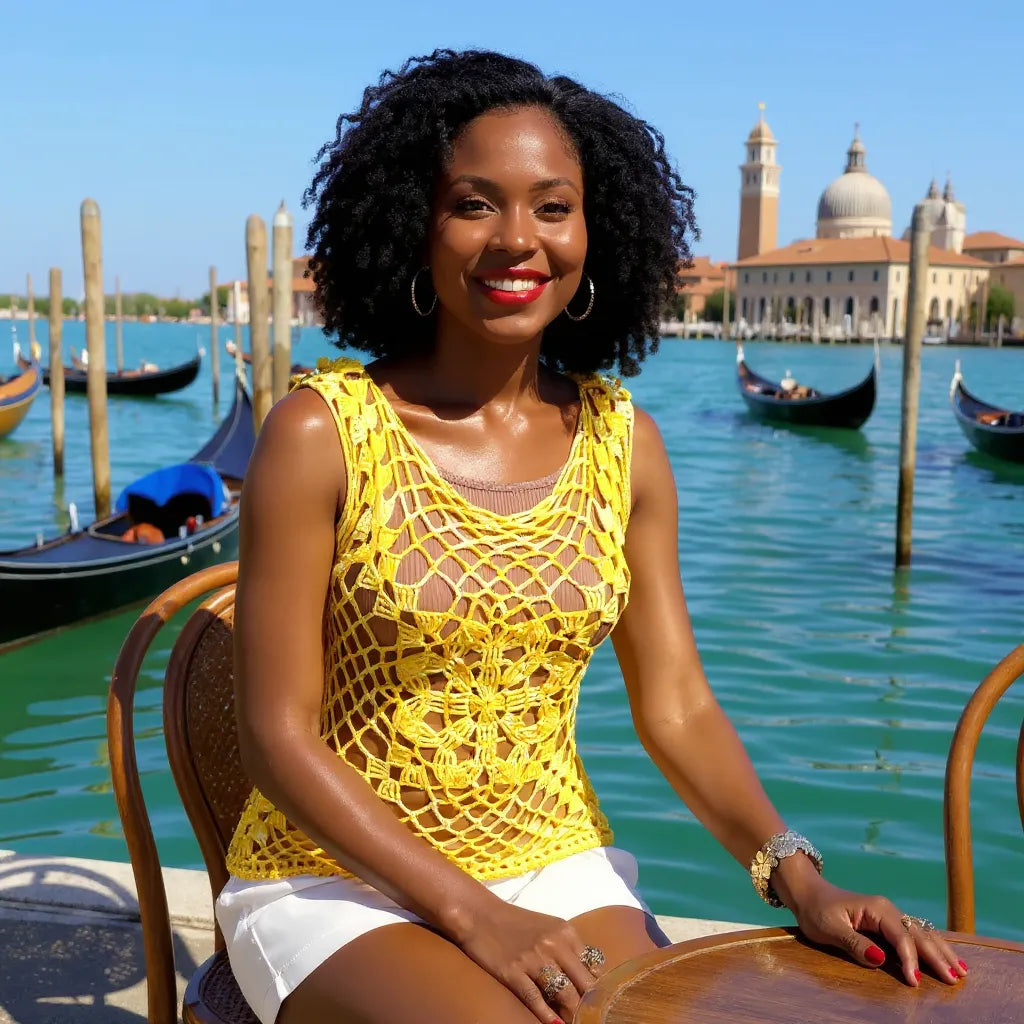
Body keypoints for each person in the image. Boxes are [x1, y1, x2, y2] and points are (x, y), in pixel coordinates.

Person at [219, 50, 966, 1024]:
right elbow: (275, 736)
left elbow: (679, 706)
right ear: (416, 222)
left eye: (551, 206)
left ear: (595, 231)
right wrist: (474, 915)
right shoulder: (321, 432)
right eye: (474, 204)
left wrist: (800, 879)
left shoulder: (626, 445)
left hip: (553, 859)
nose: (515, 239)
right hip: (332, 876)